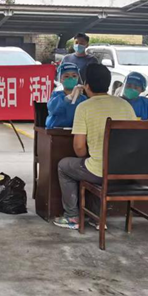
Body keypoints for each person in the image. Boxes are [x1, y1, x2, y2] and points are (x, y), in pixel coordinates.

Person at [54, 63, 137, 230]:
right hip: (127, 170)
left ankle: (72, 217)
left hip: (99, 171)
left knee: (65, 166)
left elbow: (79, 148)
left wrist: (88, 157)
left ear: (86, 85)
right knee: (92, 164)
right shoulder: (125, 105)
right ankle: (97, 218)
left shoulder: (84, 107)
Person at [45, 62, 87, 128]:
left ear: (78, 78)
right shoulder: (56, 96)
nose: (70, 79)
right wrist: (69, 97)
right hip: (56, 130)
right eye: (66, 76)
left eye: (74, 76)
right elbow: (53, 109)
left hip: (76, 131)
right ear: (60, 79)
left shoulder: (83, 99)